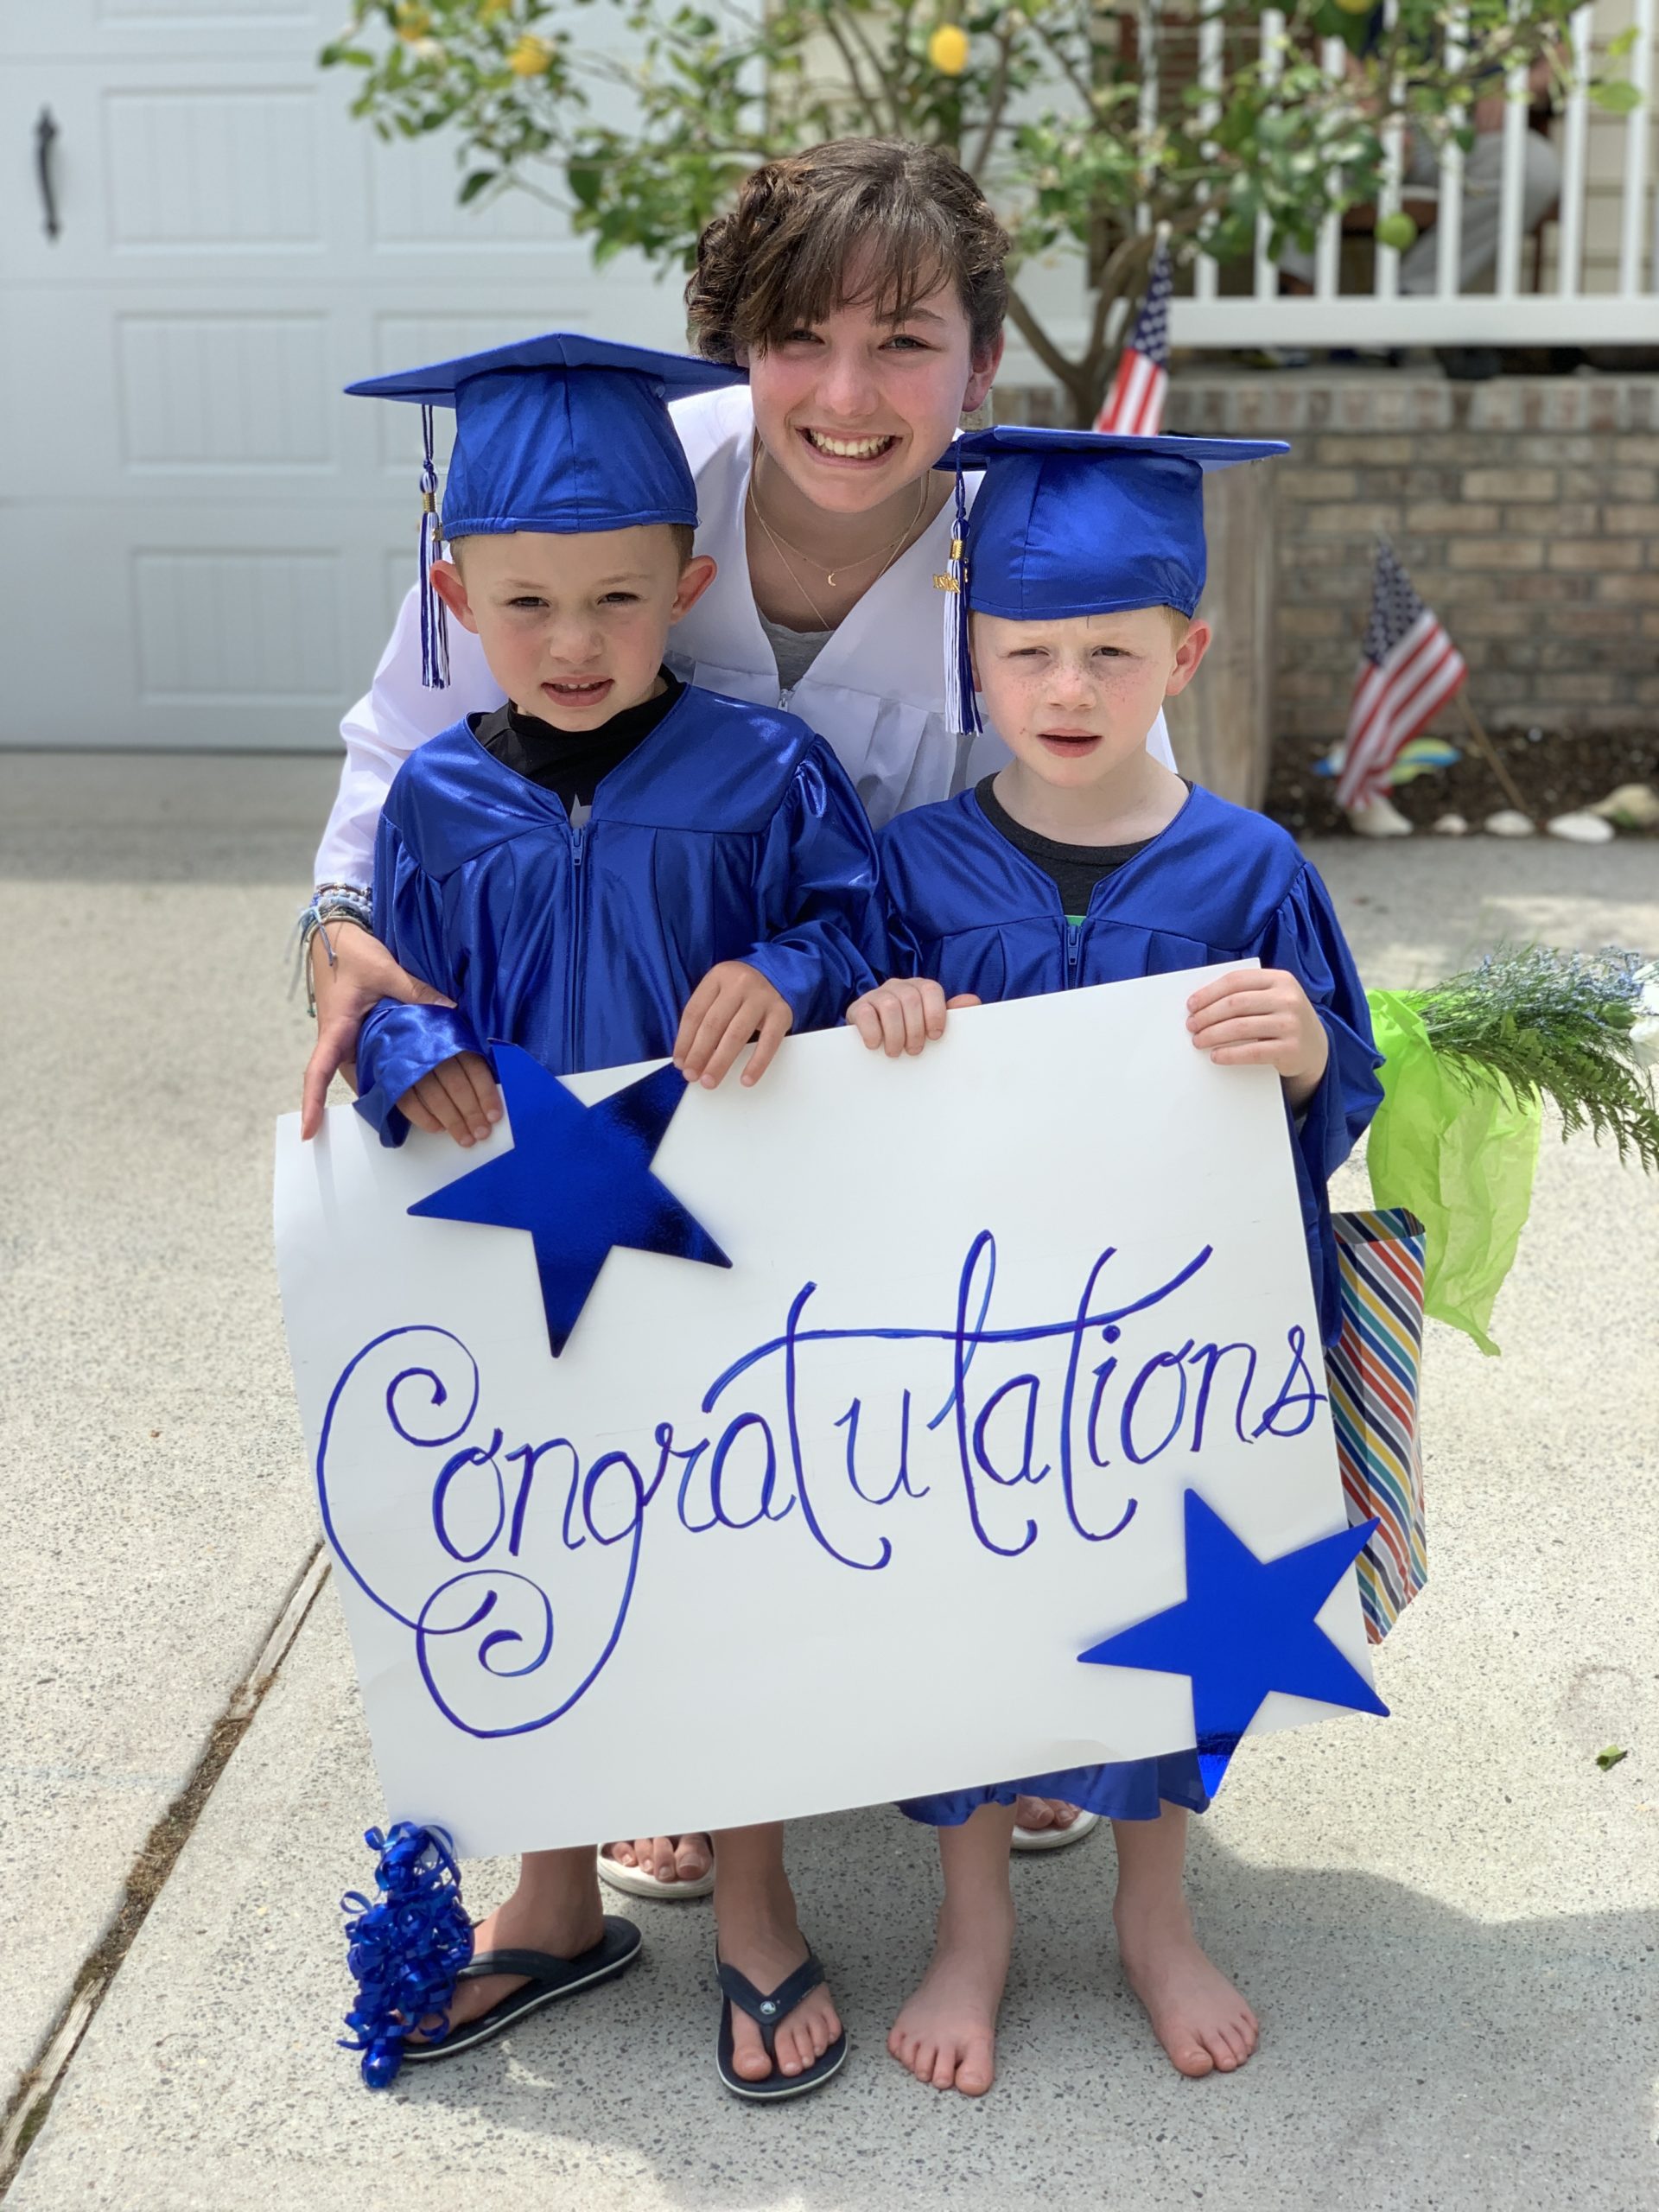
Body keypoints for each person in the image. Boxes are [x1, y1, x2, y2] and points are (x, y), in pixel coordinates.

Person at [303, 138, 1149, 1883]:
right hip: (634, 1030)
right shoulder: (618, 487)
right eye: (800, 338)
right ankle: (665, 1712)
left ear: (978, 365)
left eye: (905, 341)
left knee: (952, 1342)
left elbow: (1114, 809)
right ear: (730, 346)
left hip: (912, 1023)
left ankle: (1015, 1678)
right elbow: (407, 742)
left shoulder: (1033, 548)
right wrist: (336, 924)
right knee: (637, 1371)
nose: (848, 396)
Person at [346, 330, 887, 2100]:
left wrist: (784, 969)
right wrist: (412, 1038)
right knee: (530, 1563)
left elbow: (860, 931)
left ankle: (753, 1895)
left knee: (723, 1565)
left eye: (617, 599)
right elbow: (390, 997)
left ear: (690, 583)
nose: (573, 643)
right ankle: (553, 1894)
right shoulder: (436, 799)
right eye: (526, 605)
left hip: (722, 1249)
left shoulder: (764, 767)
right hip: (506, 1256)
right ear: (457, 593)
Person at [846, 426, 1384, 2098]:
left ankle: (1157, 1911)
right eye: (1025, 651)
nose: (1065, 686)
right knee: (975, 1600)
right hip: (981, 1339)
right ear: (971, 654)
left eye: (1110, 652)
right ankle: (973, 1920)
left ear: (1185, 654)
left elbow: (1341, 1086)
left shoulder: (1249, 870)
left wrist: (1300, 1043)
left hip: (1174, 1348)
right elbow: (835, 1106)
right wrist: (885, 1021)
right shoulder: (917, 869)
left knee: (1179, 1600)